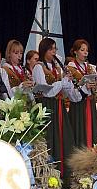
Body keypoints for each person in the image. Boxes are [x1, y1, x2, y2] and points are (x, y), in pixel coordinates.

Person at [32, 38, 77, 176]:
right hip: (47, 105)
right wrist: (62, 82)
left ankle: (64, 174)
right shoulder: (39, 67)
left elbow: (64, 90)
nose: (54, 52)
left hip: (58, 105)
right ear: (44, 50)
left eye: (55, 49)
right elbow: (47, 91)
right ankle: (49, 175)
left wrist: (68, 81)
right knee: (50, 138)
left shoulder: (57, 68)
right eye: (51, 49)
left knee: (64, 137)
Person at [67, 39, 97, 149]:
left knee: (91, 130)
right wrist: (85, 87)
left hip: (90, 103)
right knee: (80, 130)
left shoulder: (89, 67)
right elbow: (72, 89)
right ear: (75, 51)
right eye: (82, 50)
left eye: (87, 50)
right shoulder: (71, 67)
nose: (85, 53)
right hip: (78, 104)